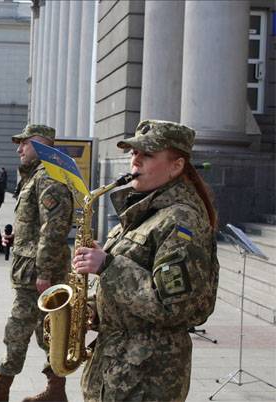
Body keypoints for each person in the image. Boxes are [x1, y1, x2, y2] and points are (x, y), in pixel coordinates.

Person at [74, 120, 220, 402]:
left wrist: (108, 265)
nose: (135, 160)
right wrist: (90, 309)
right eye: (132, 153)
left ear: (176, 166)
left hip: (148, 376)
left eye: (147, 154)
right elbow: (131, 288)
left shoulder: (181, 220)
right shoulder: (145, 212)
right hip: (118, 366)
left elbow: (172, 306)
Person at [0, 124, 73, 402]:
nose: (19, 149)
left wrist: (46, 271)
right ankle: (56, 390)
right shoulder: (35, 176)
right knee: (44, 331)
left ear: (40, 144)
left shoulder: (49, 176)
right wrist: (17, 237)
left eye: (24, 143)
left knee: (18, 327)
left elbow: (54, 228)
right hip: (30, 267)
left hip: (38, 273)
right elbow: (37, 224)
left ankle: (2, 386)